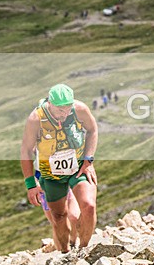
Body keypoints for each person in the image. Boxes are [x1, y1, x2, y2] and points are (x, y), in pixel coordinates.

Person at [20, 84, 99, 252]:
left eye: (67, 108)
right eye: (59, 110)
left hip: (77, 168)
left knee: (89, 206)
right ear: (50, 103)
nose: (64, 113)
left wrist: (88, 159)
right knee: (58, 218)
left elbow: (92, 130)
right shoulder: (36, 119)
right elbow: (26, 150)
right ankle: (64, 253)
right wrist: (31, 184)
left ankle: (84, 250)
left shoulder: (79, 109)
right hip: (50, 175)